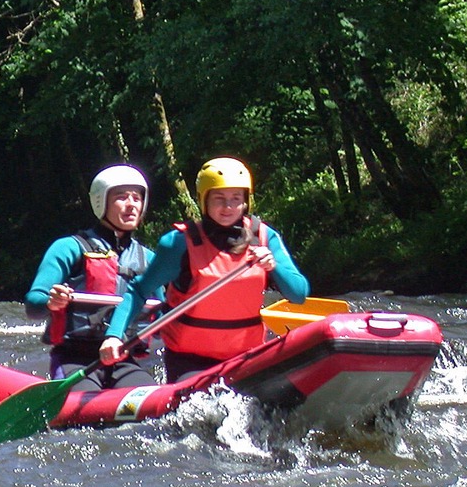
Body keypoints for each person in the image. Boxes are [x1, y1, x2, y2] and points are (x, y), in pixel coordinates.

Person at [99, 157, 310, 382]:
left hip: (247, 355)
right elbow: (139, 291)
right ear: (204, 201)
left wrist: (273, 267)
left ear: (246, 201)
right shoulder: (178, 244)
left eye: (235, 198)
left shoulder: (265, 238)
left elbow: (299, 294)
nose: (228, 207)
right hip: (190, 360)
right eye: (219, 199)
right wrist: (113, 335)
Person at [23, 164, 163, 390]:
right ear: (101, 202)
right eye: (121, 197)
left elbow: (165, 313)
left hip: (123, 359)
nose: (131, 205)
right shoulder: (69, 248)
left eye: (137, 198)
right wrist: (51, 301)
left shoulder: (149, 259)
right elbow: (32, 306)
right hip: (73, 360)